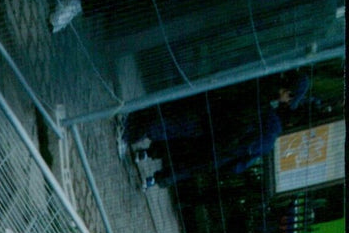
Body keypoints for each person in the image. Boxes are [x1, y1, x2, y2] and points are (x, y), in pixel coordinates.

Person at [120, 73, 309, 189]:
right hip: (215, 124)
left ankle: (134, 129)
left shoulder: (266, 94)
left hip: (214, 117)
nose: (286, 101)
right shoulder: (266, 105)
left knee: (173, 123)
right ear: (289, 92)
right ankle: (131, 132)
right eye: (290, 98)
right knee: (174, 127)